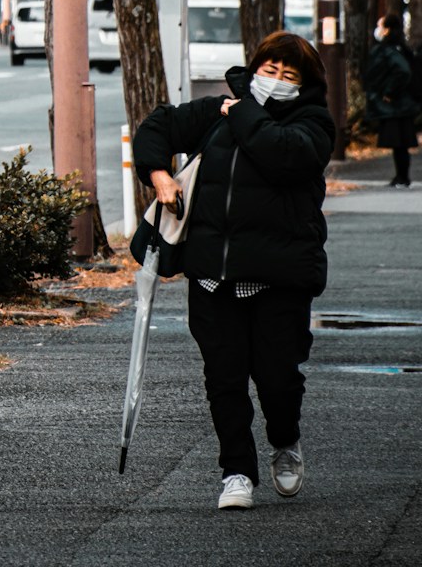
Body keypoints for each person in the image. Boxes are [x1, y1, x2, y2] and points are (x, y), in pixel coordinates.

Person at [133, 30, 334, 512]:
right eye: (270, 70)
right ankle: (237, 471)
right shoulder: (215, 113)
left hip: (278, 279)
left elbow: (281, 155)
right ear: (256, 67)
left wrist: (243, 109)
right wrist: (160, 176)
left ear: (304, 85)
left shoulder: (313, 123)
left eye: (289, 75)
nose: (277, 80)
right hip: (212, 274)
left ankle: (285, 441)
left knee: (277, 379)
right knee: (224, 379)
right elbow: (157, 127)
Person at [363, 13, 419, 187]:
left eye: (380, 26)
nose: (378, 30)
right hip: (402, 104)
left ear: (387, 30)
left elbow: (402, 72)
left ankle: (402, 177)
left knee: (398, 143)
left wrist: (390, 92)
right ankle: (401, 176)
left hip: (396, 105)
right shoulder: (400, 48)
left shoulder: (388, 50)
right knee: (401, 144)